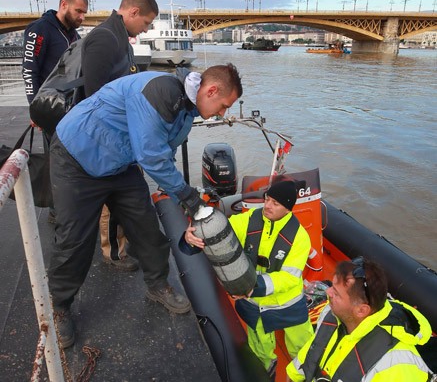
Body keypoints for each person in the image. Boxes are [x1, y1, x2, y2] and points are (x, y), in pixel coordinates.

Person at [48, 63, 243, 348]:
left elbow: (166, 149)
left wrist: (180, 198)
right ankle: (60, 306)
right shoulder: (160, 91)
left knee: (147, 227)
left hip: (120, 161)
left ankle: (157, 284)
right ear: (211, 90)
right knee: (73, 239)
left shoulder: (188, 110)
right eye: (224, 106)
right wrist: (189, 197)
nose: (223, 114)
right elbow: (151, 156)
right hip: (77, 156)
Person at [184, 180, 314, 379]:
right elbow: (218, 233)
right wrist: (191, 238)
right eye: (267, 199)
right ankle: (266, 374)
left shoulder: (300, 238)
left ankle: (306, 376)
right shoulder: (249, 220)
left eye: (276, 203)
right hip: (254, 303)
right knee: (261, 348)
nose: (268, 206)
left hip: (287, 303)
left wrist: (254, 287)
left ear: (288, 209)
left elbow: (289, 277)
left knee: (302, 346)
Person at [80, 0, 158, 271]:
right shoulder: (105, 39)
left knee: (121, 195)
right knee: (110, 200)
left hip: (117, 131)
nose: (146, 29)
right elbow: (94, 97)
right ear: (134, 12)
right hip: (104, 134)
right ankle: (114, 253)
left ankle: (120, 244)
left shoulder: (119, 37)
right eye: (147, 23)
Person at [286, 257, 433, 382]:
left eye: (336, 293)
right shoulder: (332, 314)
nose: (327, 291)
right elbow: (312, 351)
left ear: (362, 310)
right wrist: (293, 374)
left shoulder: (396, 364)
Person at [21, 0, 88, 222]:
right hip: (49, 108)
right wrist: (34, 108)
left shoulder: (73, 35)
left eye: (84, 13)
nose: (82, 17)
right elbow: (30, 71)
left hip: (70, 109)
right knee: (55, 159)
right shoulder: (40, 30)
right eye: (78, 11)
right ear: (63, 5)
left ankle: (67, 204)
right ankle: (56, 210)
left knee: (70, 158)